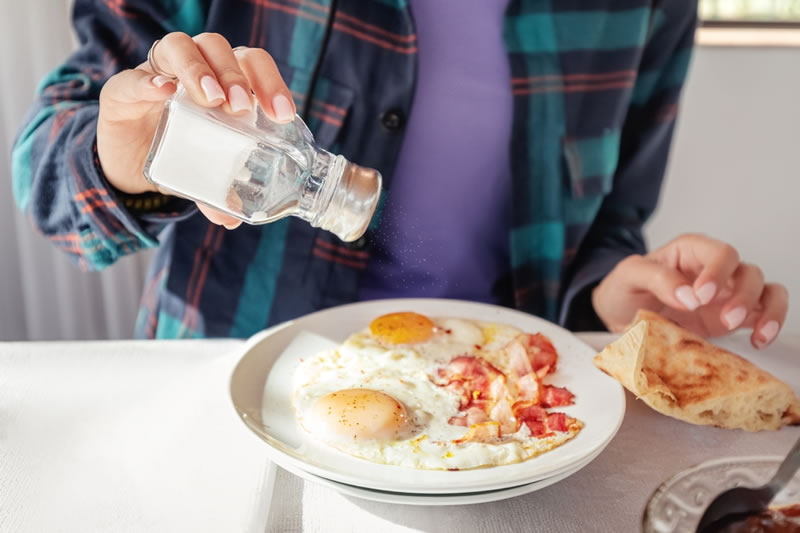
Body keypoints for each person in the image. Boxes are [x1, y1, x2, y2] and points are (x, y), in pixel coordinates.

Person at [11, 0, 787, 347]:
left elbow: (612, 226)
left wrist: (616, 294)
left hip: (499, 408)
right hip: (231, 399)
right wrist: (127, 153)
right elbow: (45, 178)